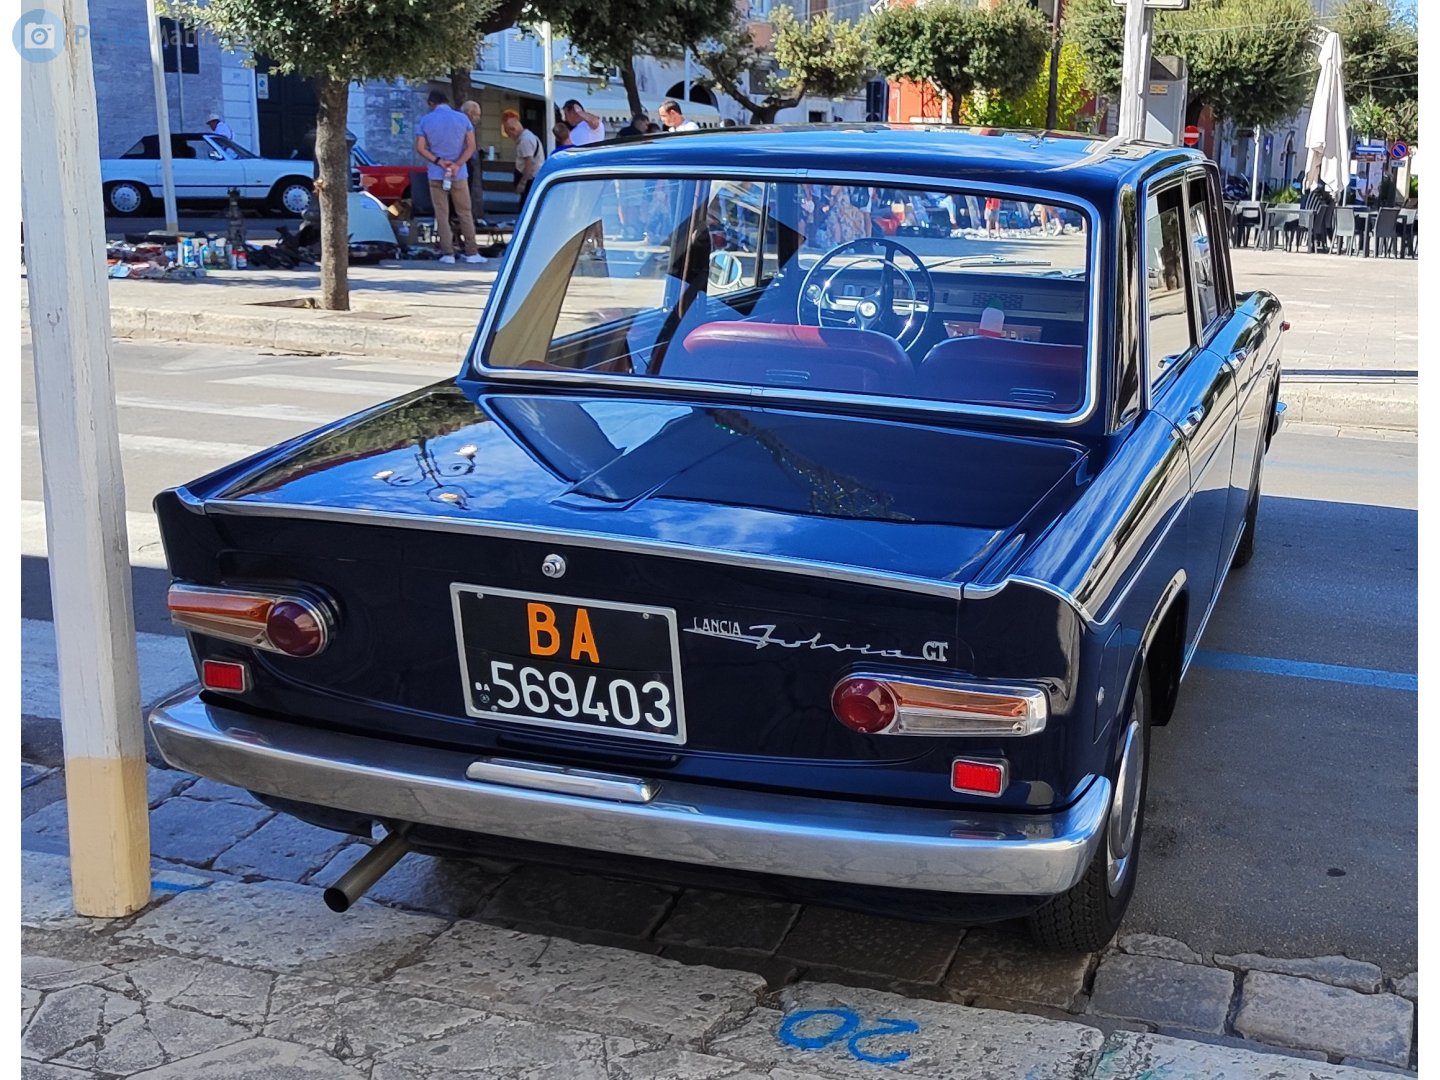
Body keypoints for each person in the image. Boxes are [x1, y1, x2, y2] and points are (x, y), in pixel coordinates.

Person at [415, 90, 485, 265]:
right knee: (465, 212)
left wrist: (439, 161)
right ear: (447, 101)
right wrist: (457, 164)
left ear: (432, 103)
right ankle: (472, 252)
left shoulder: (425, 121)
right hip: (459, 173)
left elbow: (421, 148)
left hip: (436, 173)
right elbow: (471, 146)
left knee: (442, 214)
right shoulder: (463, 119)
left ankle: (448, 253)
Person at [502, 110, 544, 204]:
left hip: (530, 180)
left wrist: (522, 183)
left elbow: (529, 163)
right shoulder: (528, 137)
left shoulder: (525, 141)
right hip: (530, 179)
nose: (509, 136)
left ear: (513, 129)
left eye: (508, 132)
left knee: (525, 205)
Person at [459, 99, 485, 225]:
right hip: (463, 162)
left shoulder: (469, 126)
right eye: (477, 115)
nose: (478, 118)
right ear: (470, 113)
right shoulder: (463, 125)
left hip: (469, 161)